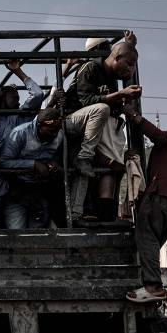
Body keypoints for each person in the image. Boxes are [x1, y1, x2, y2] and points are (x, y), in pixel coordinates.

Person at [65, 42, 141, 224]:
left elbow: (112, 105)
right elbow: (86, 102)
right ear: (117, 57)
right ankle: (85, 159)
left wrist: (125, 106)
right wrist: (121, 94)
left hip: (97, 124)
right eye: (129, 64)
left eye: (133, 66)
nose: (130, 69)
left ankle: (107, 214)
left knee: (113, 163)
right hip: (74, 120)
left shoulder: (112, 77)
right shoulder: (90, 68)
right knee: (101, 110)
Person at [124, 105, 167, 303]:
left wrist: (135, 117)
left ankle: (152, 286)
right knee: (153, 242)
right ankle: (149, 284)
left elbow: (159, 136)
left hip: (160, 195)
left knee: (146, 236)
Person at [0, 60, 47, 224]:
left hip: (27, 181)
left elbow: (37, 94)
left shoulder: (21, 115)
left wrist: (18, 71)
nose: (18, 102)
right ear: (2, 100)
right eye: (13, 98)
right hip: (4, 184)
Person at [0, 108, 64, 229]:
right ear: (39, 126)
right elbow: (4, 162)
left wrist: (53, 165)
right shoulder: (20, 133)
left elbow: (58, 159)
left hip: (40, 192)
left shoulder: (58, 135)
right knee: (17, 234)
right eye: (50, 131)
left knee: (39, 234)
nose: (54, 134)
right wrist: (33, 164)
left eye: (56, 131)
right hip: (17, 192)